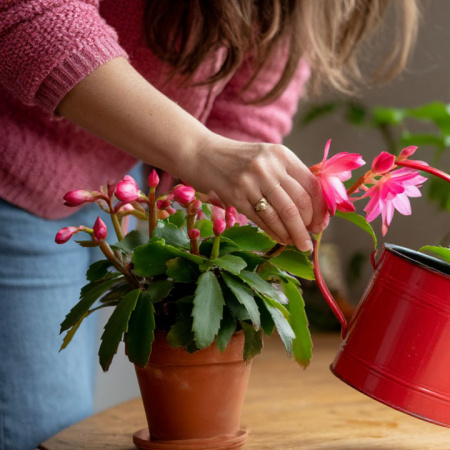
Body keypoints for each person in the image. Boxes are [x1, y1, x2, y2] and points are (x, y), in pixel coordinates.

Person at [0, 1, 418, 448]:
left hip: (109, 177)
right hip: (14, 163)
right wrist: (199, 150)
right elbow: (30, 13)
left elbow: (245, 114)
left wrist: (224, 226)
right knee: (45, 427)